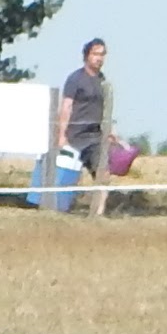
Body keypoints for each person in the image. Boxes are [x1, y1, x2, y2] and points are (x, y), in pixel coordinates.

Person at [55, 40, 114, 217]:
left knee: (103, 175)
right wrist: (61, 135)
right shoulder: (75, 79)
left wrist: (111, 132)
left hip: (95, 137)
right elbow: (66, 106)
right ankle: (60, 210)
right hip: (75, 137)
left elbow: (106, 110)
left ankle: (98, 214)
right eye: (95, 54)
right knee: (68, 176)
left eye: (102, 54)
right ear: (87, 56)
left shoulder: (103, 81)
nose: (99, 58)